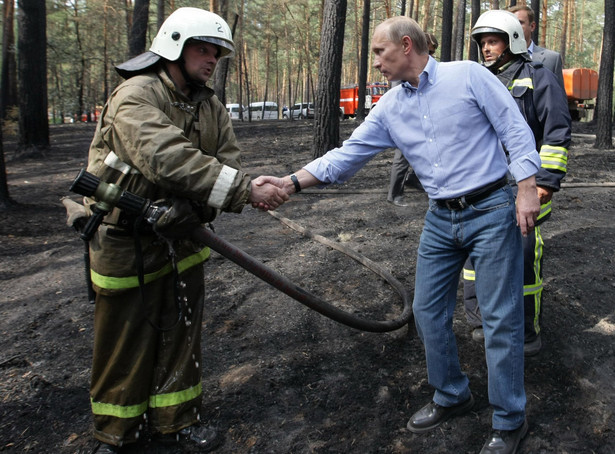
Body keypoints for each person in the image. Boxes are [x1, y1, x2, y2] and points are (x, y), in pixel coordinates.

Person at [257, 16, 540, 454]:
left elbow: (514, 129)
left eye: (378, 52)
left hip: (491, 208)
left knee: (500, 318)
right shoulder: (389, 108)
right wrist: (289, 182)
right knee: (427, 311)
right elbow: (345, 156)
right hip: (441, 218)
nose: (375, 63)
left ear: (406, 45)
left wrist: (525, 188)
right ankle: (451, 394)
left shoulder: (467, 76)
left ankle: (508, 420)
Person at [82, 8, 288, 453]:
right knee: (124, 342)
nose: (212, 59)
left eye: (217, 52)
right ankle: (116, 434)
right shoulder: (135, 96)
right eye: (203, 49)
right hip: (125, 243)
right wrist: (242, 190)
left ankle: (176, 422)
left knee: (181, 334)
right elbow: (165, 155)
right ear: (173, 45)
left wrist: (202, 203)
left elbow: (227, 159)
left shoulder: (210, 106)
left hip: (185, 241)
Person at [463, 10, 571, 357]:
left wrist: (545, 183)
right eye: (482, 43)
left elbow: (556, 134)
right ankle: (480, 321)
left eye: (492, 41)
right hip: (482, 187)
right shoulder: (478, 79)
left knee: (524, 258)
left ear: (512, 40)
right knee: (474, 257)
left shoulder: (539, 77)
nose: (486, 49)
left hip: (525, 186)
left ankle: (525, 331)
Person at [386, 32, 436, 206]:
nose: (431, 56)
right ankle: (394, 195)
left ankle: (414, 179)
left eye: (433, 53)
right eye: (429, 51)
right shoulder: (403, 68)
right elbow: (398, 97)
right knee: (402, 158)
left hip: (423, 118)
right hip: (406, 119)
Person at [508, 5, 565, 91]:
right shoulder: (502, 59)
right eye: (512, 23)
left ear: (532, 26)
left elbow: (558, 98)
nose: (515, 27)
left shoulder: (552, 59)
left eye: (520, 22)